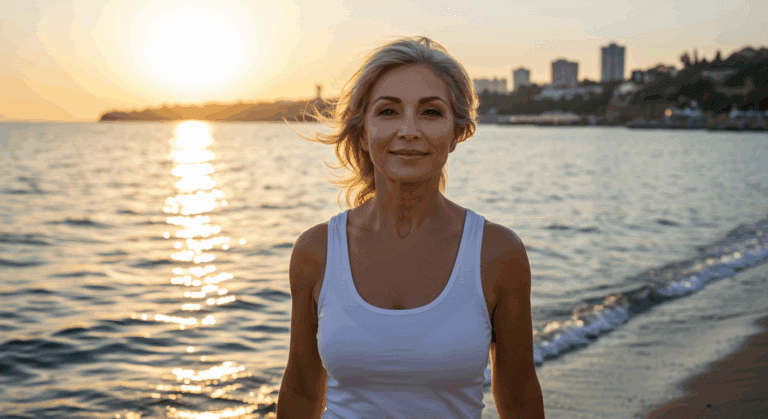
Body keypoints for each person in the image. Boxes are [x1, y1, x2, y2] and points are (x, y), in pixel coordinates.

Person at [277, 36, 544, 418]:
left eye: (430, 112)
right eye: (388, 111)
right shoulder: (316, 250)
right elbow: (301, 390)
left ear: (457, 132)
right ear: (363, 131)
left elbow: (519, 396)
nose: (409, 130)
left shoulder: (498, 253)